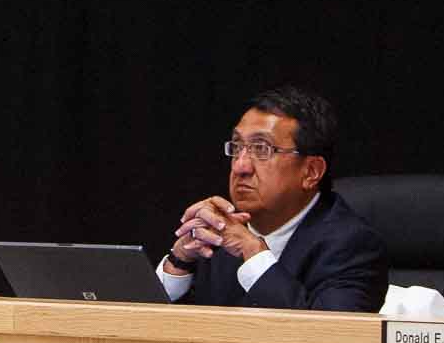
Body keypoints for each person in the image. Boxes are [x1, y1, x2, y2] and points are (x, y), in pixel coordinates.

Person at [158, 84, 386, 310]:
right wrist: (180, 261)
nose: (240, 166)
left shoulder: (353, 247)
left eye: (262, 149)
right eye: (237, 147)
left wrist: (253, 252)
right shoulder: (215, 234)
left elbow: (328, 337)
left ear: (311, 172)